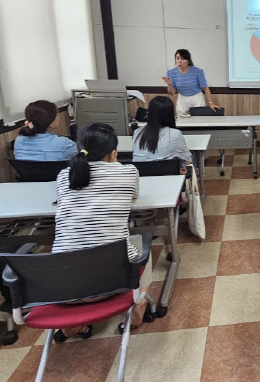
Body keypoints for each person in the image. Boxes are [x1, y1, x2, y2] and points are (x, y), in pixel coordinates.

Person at [53, 123, 151, 341]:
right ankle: (138, 306)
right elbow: (134, 197)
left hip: (60, 290)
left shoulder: (64, 176)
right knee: (139, 244)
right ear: (114, 152)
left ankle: (74, 325)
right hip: (113, 285)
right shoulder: (128, 172)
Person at [133, 96, 191, 173]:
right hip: (168, 180)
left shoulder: (137, 132)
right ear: (170, 115)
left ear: (149, 113)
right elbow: (187, 160)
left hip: (140, 180)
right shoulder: (175, 134)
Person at [162, 49, 221, 117]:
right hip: (182, 99)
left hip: (197, 98)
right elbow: (172, 93)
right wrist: (169, 84)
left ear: (188, 60)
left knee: (198, 122)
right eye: (177, 58)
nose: (179, 61)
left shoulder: (198, 71)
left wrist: (211, 103)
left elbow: (205, 88)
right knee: (182, 123)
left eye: (183, 59)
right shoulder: (171, 73)